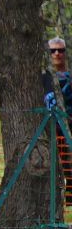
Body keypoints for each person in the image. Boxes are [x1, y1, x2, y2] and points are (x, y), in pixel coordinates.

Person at [45, 37, 72, 206]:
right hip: (48, 128)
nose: (57, 54)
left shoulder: (70, 77)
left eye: (61, 50)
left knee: (69, 164)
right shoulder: (43, 77)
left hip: (68, 128)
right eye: (53, 50)